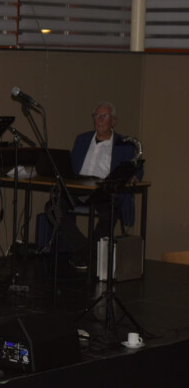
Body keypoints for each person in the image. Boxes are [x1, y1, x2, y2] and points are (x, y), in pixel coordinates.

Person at [61, 101, 144, 269]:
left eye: (104, 116)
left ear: (113, 121)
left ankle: (85, 254)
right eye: (96, 116)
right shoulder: (82, 139)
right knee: (53, 207)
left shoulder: (124, 143)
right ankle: (86, 250)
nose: (99, 120)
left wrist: (135, 176)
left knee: (111, 211)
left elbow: (137, 167)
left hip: (104, 191)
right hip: (79, 188)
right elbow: (70, 165)